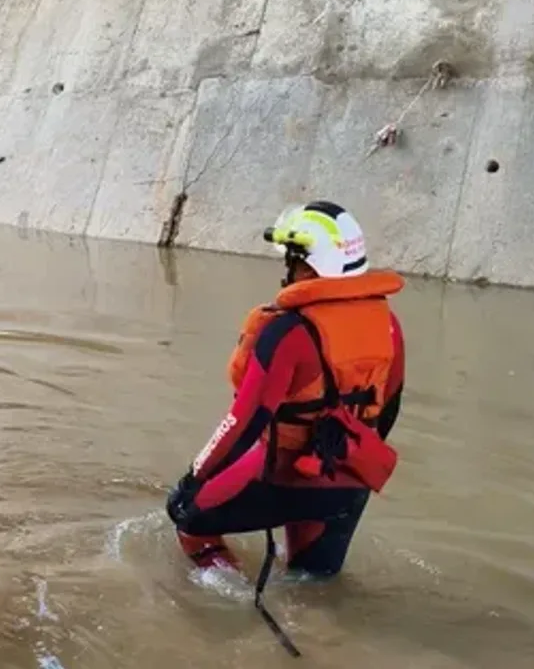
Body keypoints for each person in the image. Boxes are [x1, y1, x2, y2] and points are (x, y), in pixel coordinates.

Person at [166, 201, 405, 580]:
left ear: (309, 265)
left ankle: (234, 597)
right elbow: (387, 411)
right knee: (314, 589)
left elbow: (242, 424)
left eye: (291, 260)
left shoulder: (287, 331)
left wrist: (191, 480)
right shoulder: (387, 323)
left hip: (281, 474)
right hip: (348, 485)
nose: (287, 271)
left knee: (188, 517)